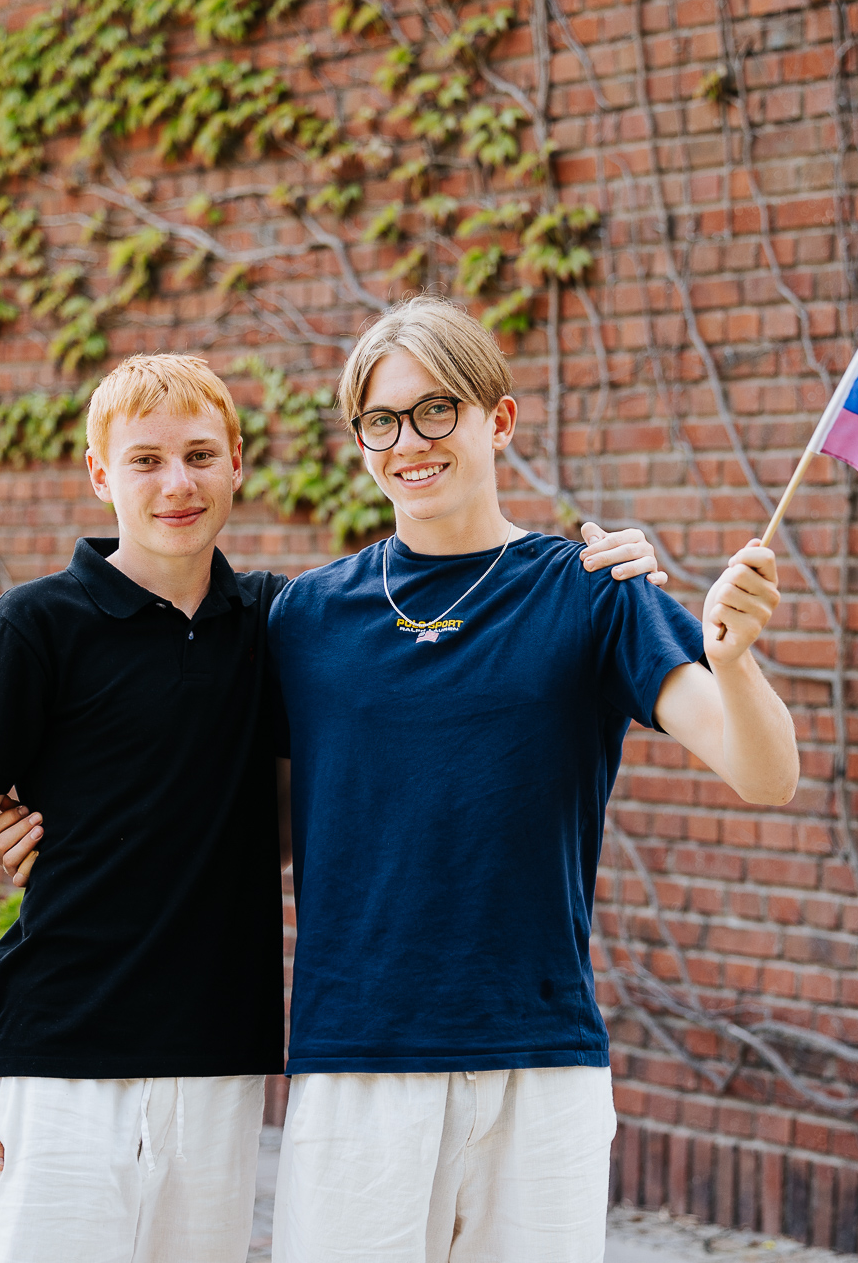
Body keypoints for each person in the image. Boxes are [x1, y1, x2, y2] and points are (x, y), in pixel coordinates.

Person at [0, 351, 668, 1263]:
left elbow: (292, 817)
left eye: (199, 455)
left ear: (237, 462)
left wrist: (619, 561)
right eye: (145, 461)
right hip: (61, 1053)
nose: (176, 483)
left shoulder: (279, 623)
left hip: (223, 1059)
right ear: (98, 472)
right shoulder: (36, 625)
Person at [261, 295, 799, 1263]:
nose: (406, 442)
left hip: (537, 1057)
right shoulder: (302, 618)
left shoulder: (592, 589)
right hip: (357, 1060)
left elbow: (763, 773)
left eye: (436, 410)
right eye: (378, 421)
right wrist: (43, 822)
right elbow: (221, 806)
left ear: (495, 418)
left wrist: (737, 656)